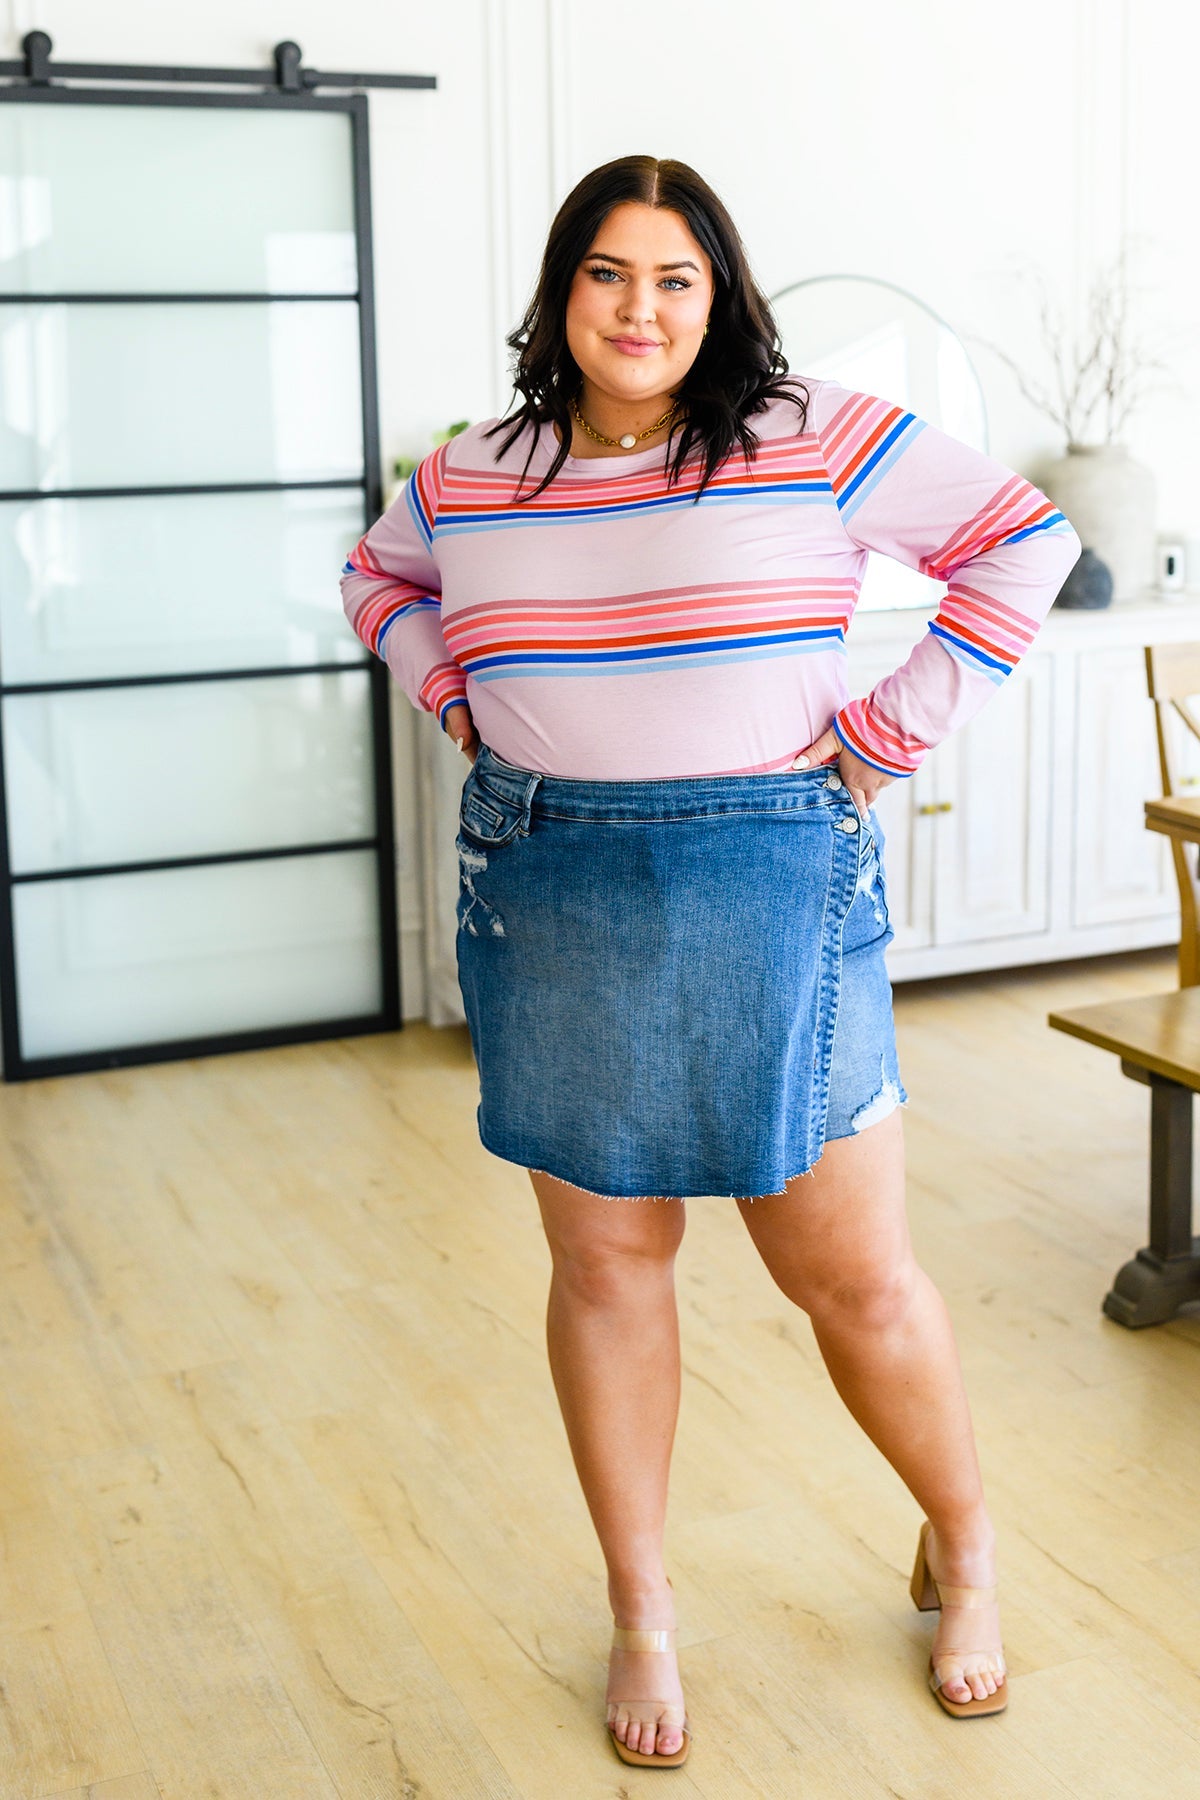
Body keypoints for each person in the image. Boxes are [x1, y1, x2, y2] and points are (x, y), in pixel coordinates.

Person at [341, 155, 1080, 1769]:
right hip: (552, 876)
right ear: (562, 294)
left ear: (719, 295)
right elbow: (377, 578)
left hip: (776, 874)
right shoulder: (477, 472)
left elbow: (1025, 542)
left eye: (675, 278)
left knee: (850, 1277)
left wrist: (884, 735)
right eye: (609, 274)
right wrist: (455, 699)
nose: (640, 308)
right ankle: (643, 1609)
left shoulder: (808, 430)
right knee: (608, 1267)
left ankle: (965, 1550)